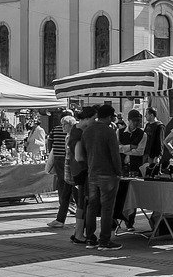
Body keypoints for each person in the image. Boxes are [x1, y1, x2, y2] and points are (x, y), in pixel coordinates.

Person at [81, 103, 123, 251]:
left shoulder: (87, 131)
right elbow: (114, 155)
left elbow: (84, 154)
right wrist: (119, 171)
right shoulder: (109, 131)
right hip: (108, 174)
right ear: (110, 117)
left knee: (92, 206)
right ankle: (104, 240)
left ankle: (90, 238)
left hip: (92, 173)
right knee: (107, 208)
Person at [67, 107, 95, 245]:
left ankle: (77, 232)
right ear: (88, 118)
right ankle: (79, 234)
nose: (95, 122)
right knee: (82, 203)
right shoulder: (79, 133)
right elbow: (78, 156)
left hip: (76, 170)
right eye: (94, 118)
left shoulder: (75, 129)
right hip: (81, 170)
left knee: (81, 202)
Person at [48, 115, 76, 228]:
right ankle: (60, 219)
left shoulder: (74, 136)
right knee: (65, 194)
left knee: (77, 196)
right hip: (67, 167)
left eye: (64, 124)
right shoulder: (68, 136)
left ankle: (81, 221)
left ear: (70, 125)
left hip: (73, 170)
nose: (62, 126)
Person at [119, 109, 146, 175]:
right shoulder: (119, 132)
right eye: (133, 120)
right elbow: (116, 148)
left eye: (138, 120)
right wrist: (130, 147)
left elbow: (140, 152)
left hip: (136, 166)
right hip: (121, 166)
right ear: (128, 120)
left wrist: (124, 149)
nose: (135, 123)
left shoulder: (143, 134)